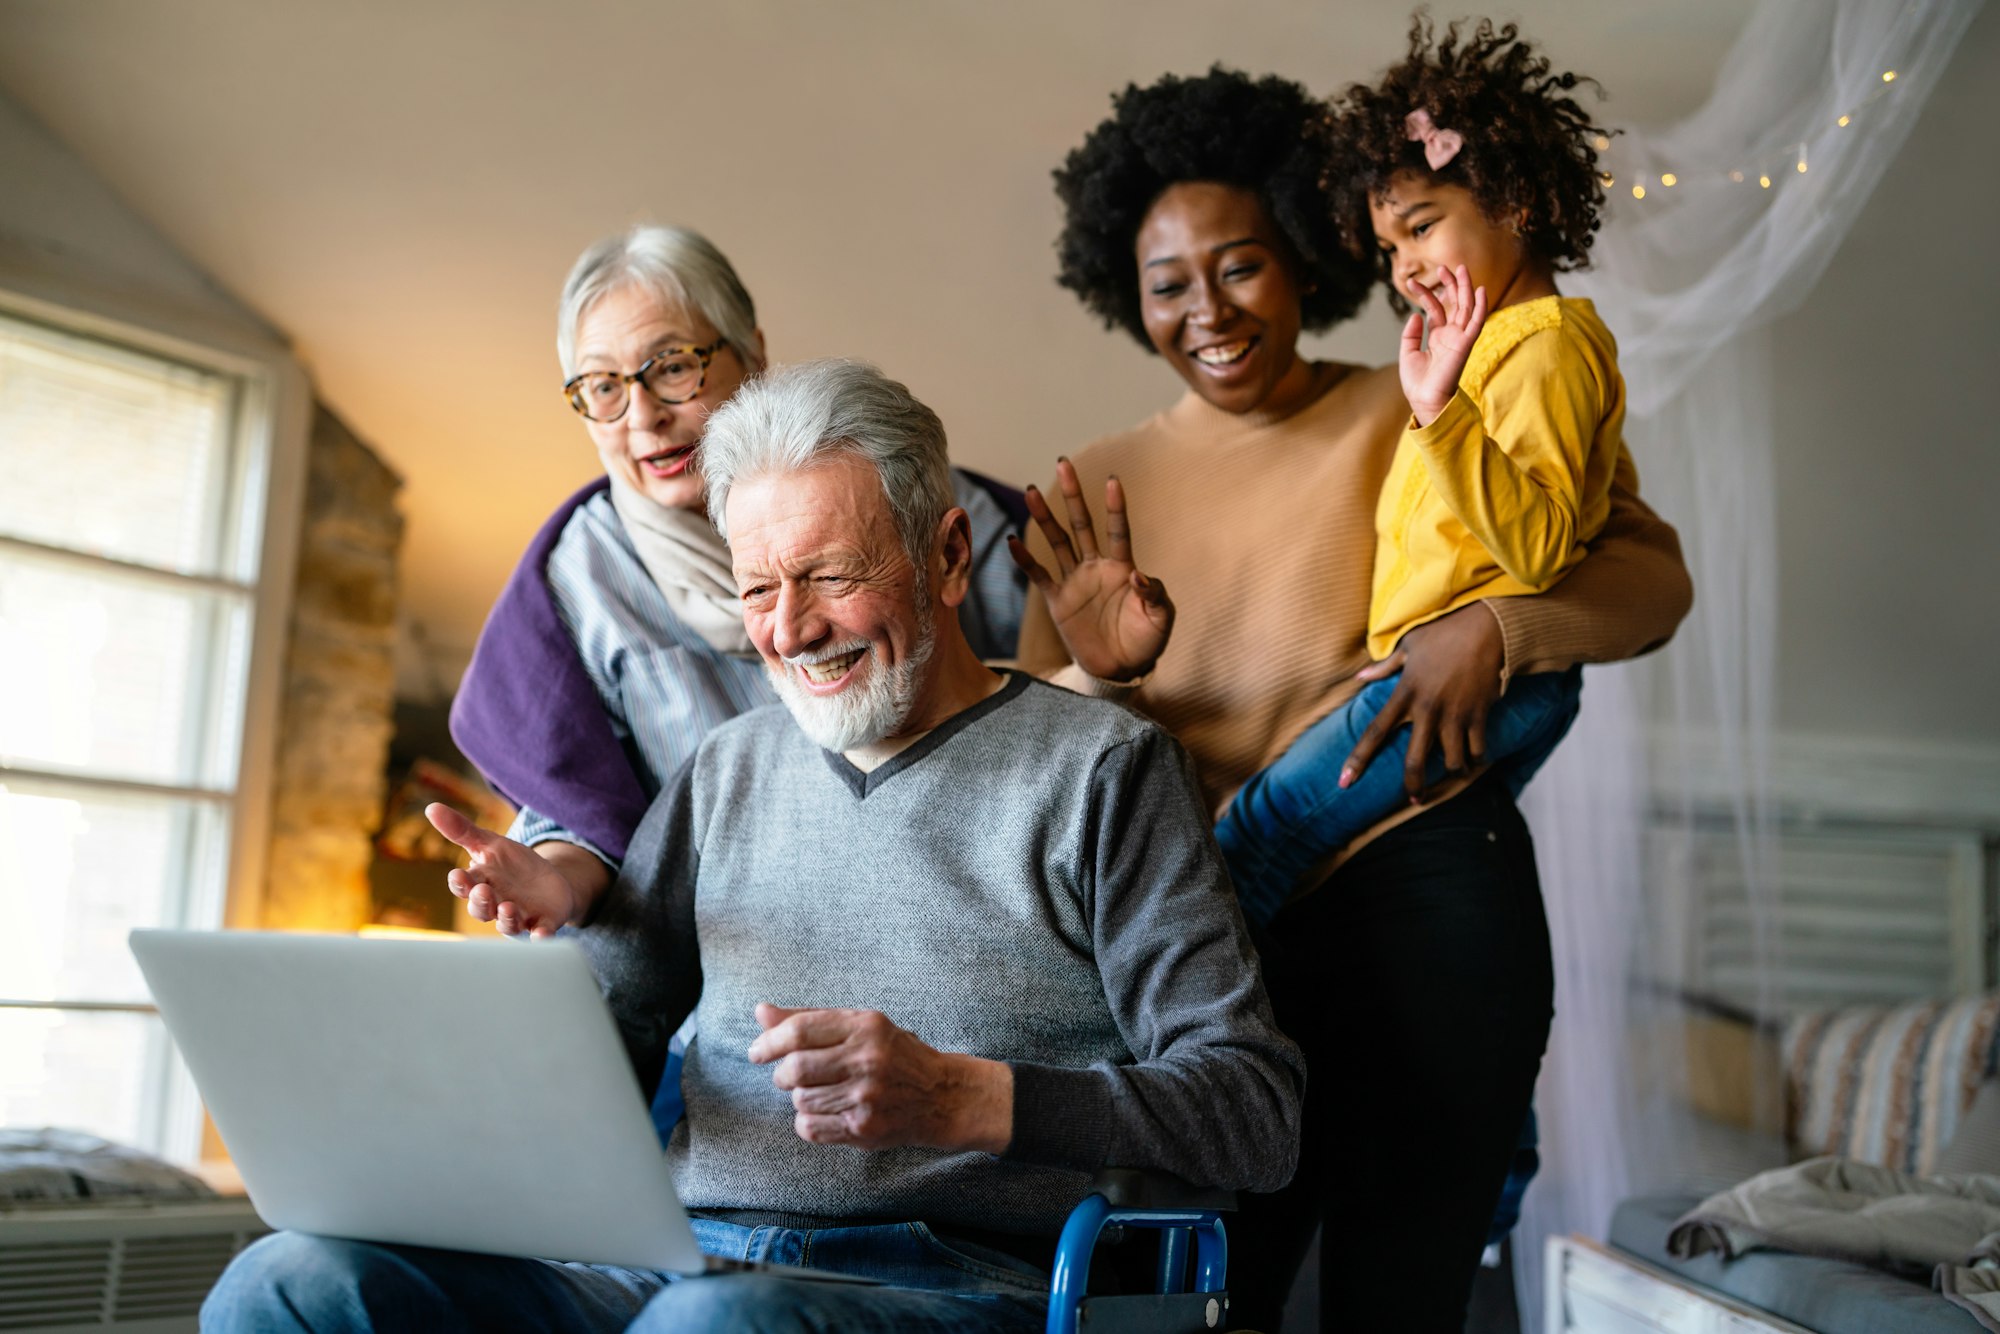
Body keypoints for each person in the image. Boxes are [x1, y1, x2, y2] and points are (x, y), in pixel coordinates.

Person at [202, 359, 1304, 1334]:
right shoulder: (724, 768)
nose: (792, 627)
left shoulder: (1102, 771)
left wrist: (966, 1097)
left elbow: (1252, 1113)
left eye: (830, 575)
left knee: (718, 1323)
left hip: (953, 1284)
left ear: (949, 552)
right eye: (758, 588)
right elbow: (606, 1036)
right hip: (672, 1267)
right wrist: (504, 997)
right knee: (291, 1282)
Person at [1013, 65, 1692, 1332]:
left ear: (1305, 261)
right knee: (1216, 1299)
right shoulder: (1089, 485)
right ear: (1127, 292)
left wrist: (1495, 629)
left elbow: (1649, 578)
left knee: (1399, 1295)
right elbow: (1039, 775)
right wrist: (1093, 671)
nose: (1206, 310)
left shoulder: (1426, 385)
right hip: (1215, 950)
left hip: (1427, 889)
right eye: (1168, 283)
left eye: (1241, 264)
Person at [447, 225, 1026, 917]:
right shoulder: (580, 588)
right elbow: (587, 823)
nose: (644, 416)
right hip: (735, 946)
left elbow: (1040, 704)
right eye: (602, 386)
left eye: (671, 366)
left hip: (954, 898)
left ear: (752, 353)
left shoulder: (897, 500)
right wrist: (553, 883)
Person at [1213, 20, 1627, 927]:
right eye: (1391, 249)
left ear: (1516, 202)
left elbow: (1543, 546)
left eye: (1423, 228)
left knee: (1254, 836)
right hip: (1446, 671)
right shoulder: (1493, 350)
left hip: (1503, 678)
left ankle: (1185, 1048)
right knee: (1337, 864)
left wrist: (1441, 417)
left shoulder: (1547, 350)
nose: (1406, 268)